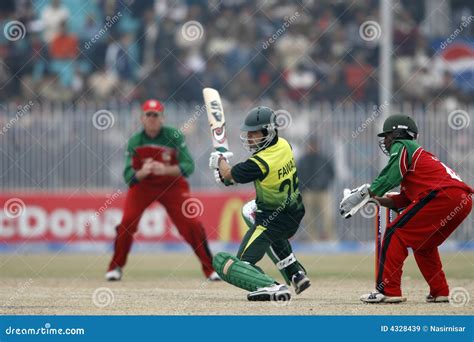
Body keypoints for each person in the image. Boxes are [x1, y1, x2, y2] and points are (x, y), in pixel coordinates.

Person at [340, 114, 472, 303]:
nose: (384, 141)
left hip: (443, 196)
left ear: (397, 134)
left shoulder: (402, 145)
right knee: (424, 245)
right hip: (461, 200)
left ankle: (388, 291)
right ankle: (440, 291)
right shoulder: (419, 158)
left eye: (386, 135)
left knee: (395, 233)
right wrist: (373, 200)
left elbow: (390, 176)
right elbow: (401, 201)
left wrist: (366, 192)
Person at [106, 99, 219, 281]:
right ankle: (115, 267)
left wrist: (164, 170)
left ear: (162, 118)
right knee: (127, 223)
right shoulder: (135, 141)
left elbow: (188, 166)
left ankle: (211, 269)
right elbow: (128, 175)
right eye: (148, 115)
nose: (152, 119)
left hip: (172, 186)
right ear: (142, 118)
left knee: (192, 224)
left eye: (155, 115)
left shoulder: (174, 136)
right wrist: (143, 172)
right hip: (143, 187)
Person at [209, 106, 310, 302]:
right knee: (248, 210)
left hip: (271, 222)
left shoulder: (259, 162)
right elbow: (235, 176)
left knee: (237, 264)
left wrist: (220, 161)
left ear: (268, 131)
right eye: (248, 133)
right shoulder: (284, 145)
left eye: (253, 133)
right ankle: (295, 273)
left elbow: (230, 174)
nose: (249, 138)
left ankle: (271, 286)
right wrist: (227, 175)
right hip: (294, 213)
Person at [297, 137, 335, 241]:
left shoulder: (323, 159)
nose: (312, 148)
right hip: (307, 193)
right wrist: (303, 189)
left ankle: (330, 239)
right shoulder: (302, 160)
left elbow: (331, 173)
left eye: (314, 145)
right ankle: (313, 240)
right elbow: (298, 176)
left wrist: (323, 183)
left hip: (323, 192)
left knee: (328, 216)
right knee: (309, 218)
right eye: (310, 145)